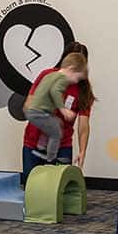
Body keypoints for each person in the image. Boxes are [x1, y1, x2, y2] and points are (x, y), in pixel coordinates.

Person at [22, 41, 94, 180]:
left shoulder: (83, 90)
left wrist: (82, 151)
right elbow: (29, 103)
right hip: (33, 141)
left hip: (62, 145)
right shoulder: (48, 75)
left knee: (59, 185)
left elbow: (83, 125)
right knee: (31, 185)